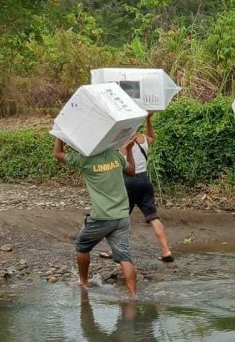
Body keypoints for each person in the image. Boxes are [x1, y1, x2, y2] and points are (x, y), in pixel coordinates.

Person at [54, 134, 139, 297]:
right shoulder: (115, 155)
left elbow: (58, 154)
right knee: (124, 256)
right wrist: (128, 150)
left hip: (101, 217)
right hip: (122, 215)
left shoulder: (86, 159)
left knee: (82, 247)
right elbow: (132, 171)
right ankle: (133, 295)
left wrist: (60, 136)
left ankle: (84, 283)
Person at [100, 114, 174, 263]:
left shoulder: (121, 142)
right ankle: (166, 250)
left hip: (128, 181)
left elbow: (122, 164)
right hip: (145, 180)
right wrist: (149, 120)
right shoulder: (143, 139)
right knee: (153, 216)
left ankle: (116, 251)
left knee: (120, 217)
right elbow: (152, 138)